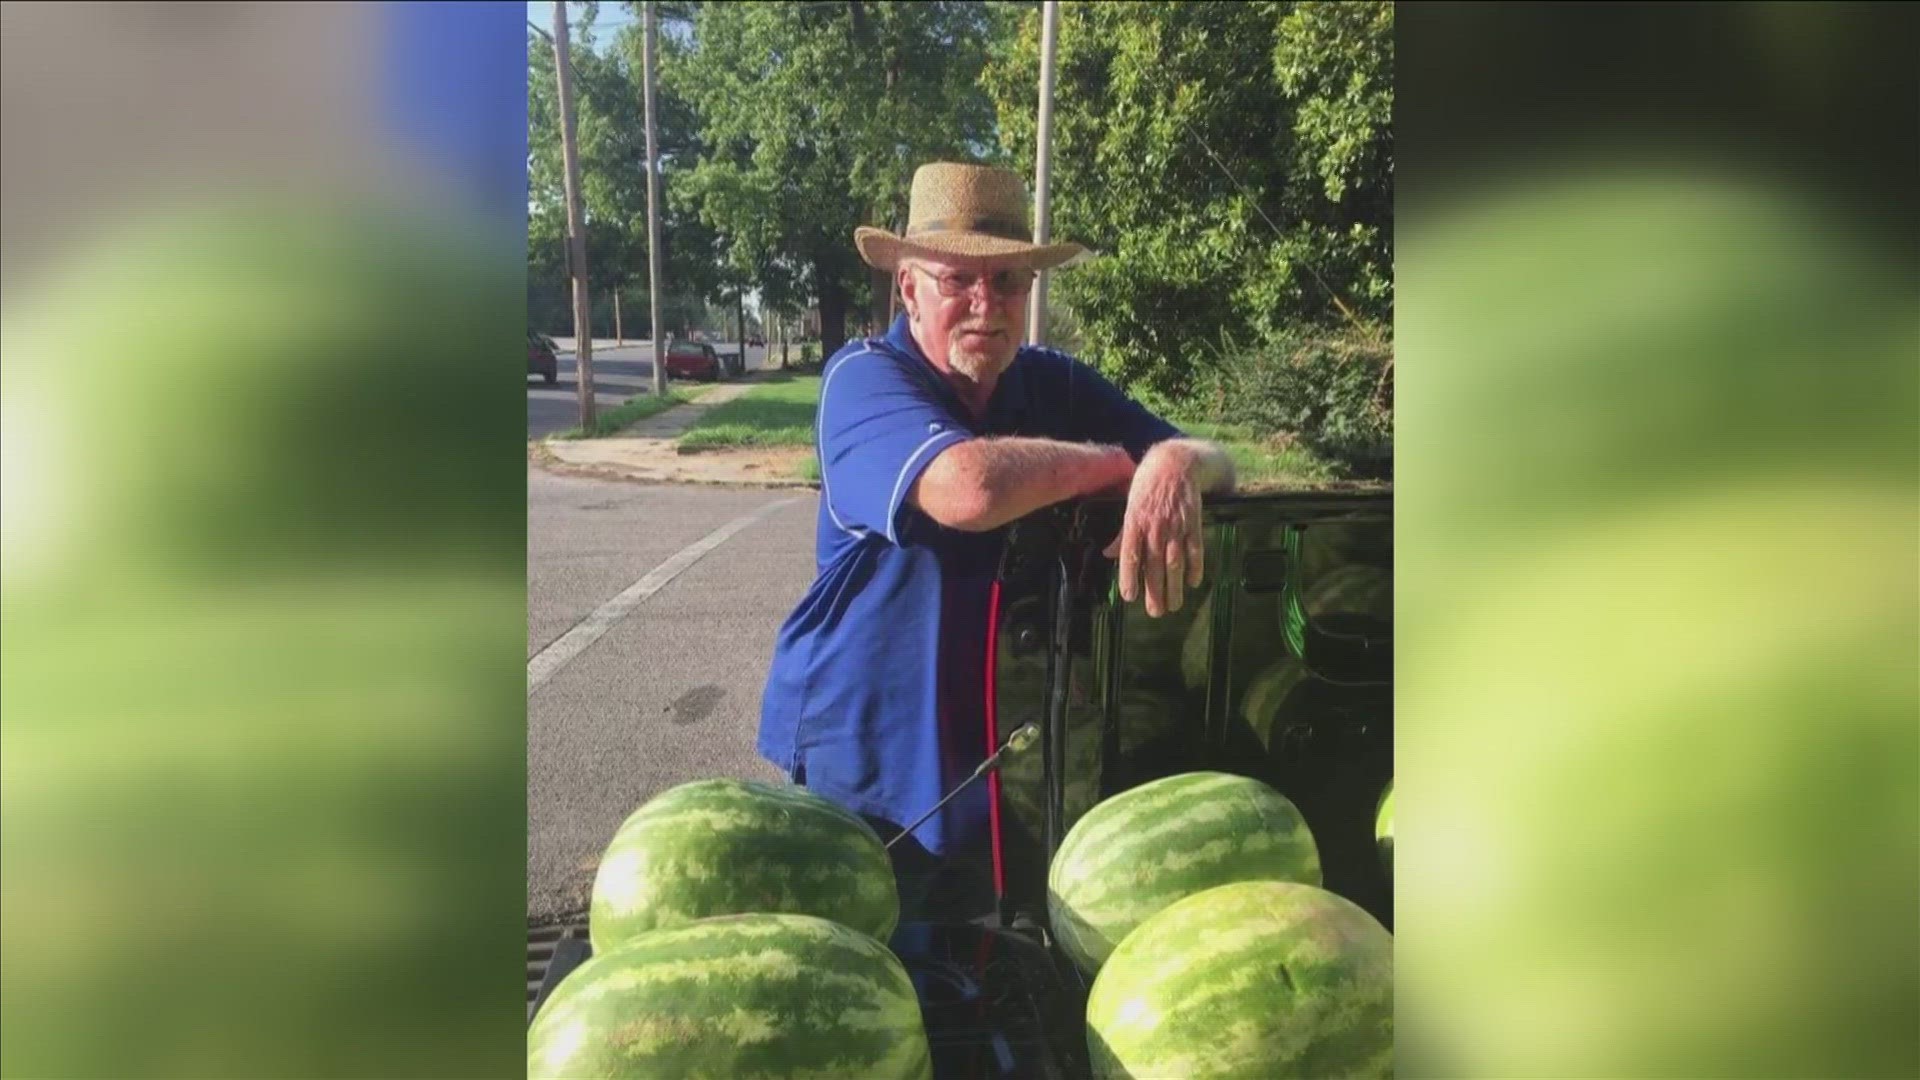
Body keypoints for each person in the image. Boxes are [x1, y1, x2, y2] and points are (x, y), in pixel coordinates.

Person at [756, 162, 1234, 919]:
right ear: (909, 288)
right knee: (878, 971)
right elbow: (966, 489)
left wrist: (1171, 461)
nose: (988, 305)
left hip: (992, 739)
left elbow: (1219, 461)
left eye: (1009, 281)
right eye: (959, 281)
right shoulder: (863, 379)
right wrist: (1118, 464)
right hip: (873, 755)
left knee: (988, 959)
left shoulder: (1051, 382)